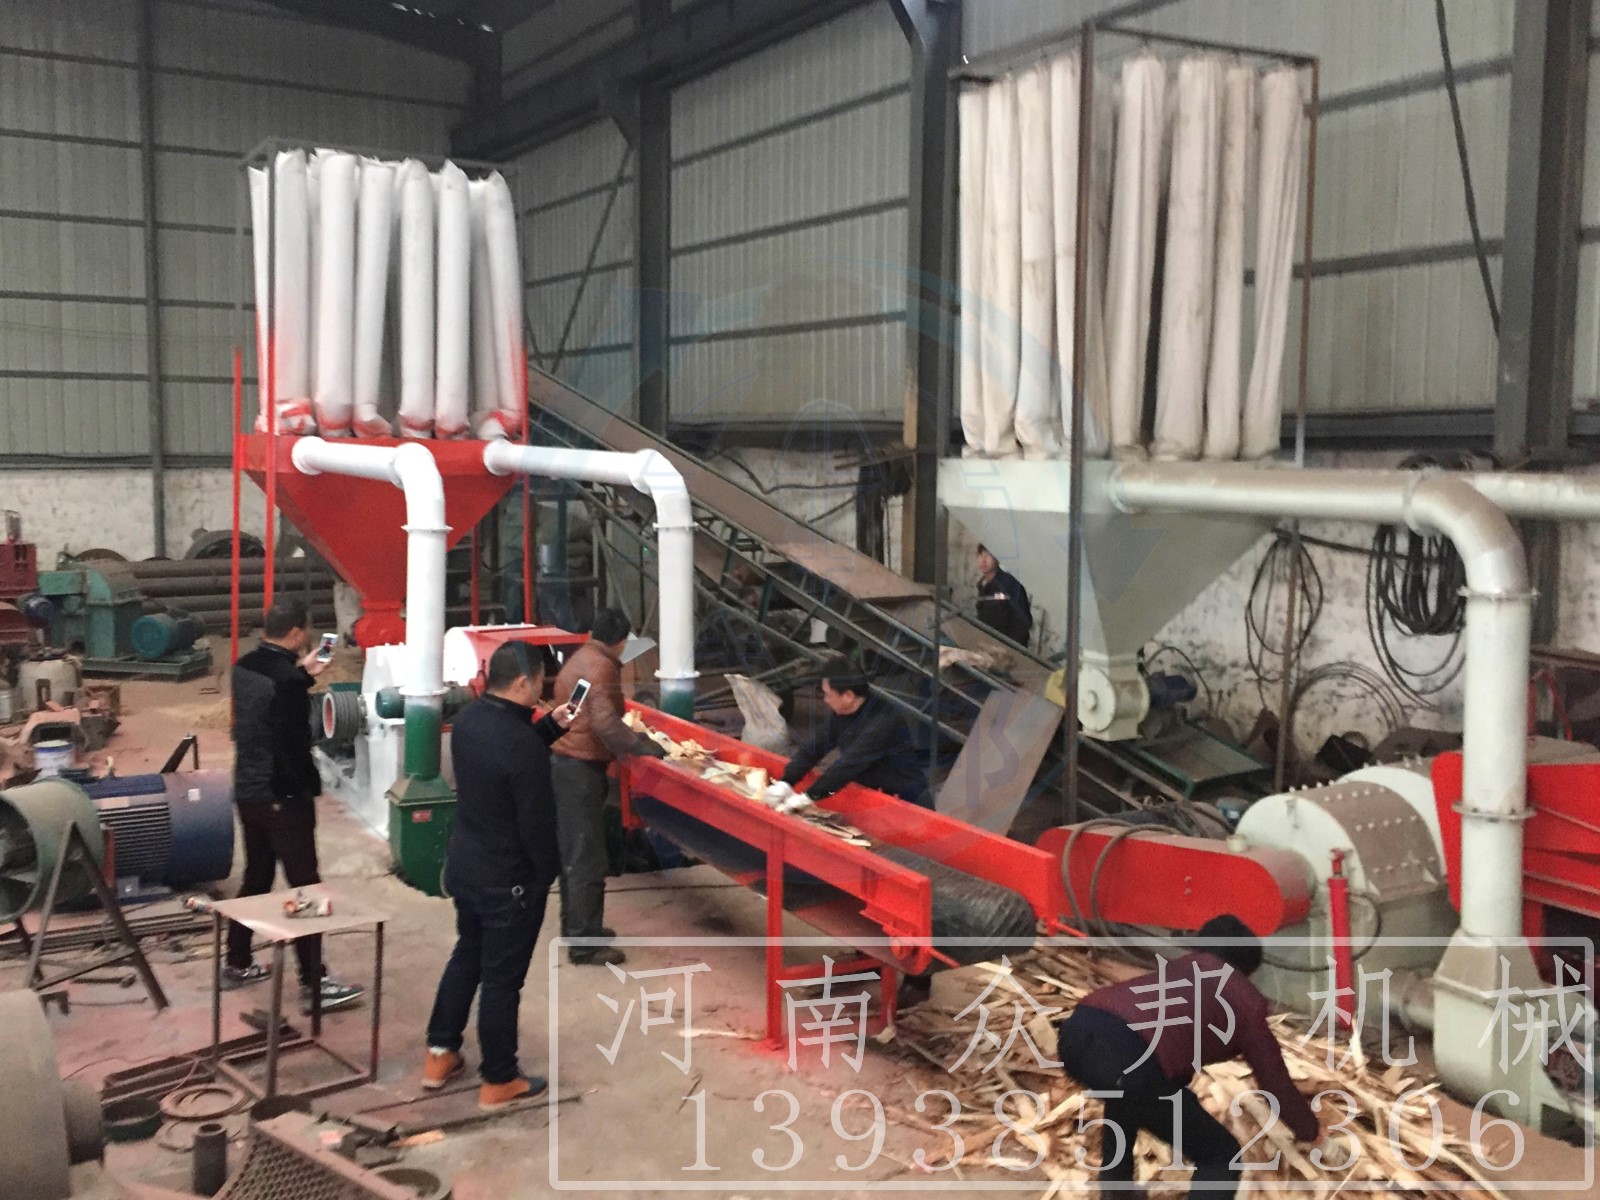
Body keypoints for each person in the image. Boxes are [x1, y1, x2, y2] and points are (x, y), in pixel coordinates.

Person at [1057, 914, 1326, 1197]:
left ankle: (1116, 1191)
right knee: (1221, 1156)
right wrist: (1309, 1130)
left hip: (1077, 1031)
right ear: (1246, 967)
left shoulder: (1182, 968)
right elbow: (1274, 1080)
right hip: (1130, 1058)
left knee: (1126, 1097)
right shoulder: (1246, 1000)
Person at [423, 642, 574, 1110]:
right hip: (507, 880)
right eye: (541, 681)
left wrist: (549, 727)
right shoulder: (522, 747)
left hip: (466, 866)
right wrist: (546, 874)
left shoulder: (468, 720)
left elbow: (503, 757)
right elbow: (536, 824)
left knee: (467, 955)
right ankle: (499, 1077)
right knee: (502, 981)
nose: (543, 689)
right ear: (524, 681)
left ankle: (440, 1052)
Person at [225, 599, 364, 1013]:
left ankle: (237, 961)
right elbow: (291, 741)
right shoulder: (286, 681)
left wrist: (302, 674)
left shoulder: (245, 666)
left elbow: (271, 699)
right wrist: (307, 789)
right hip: (282, 796)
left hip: (248, 791)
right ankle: (314, 981)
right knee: (306, 887)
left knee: (257, 877)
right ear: (297, 633)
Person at [551, 608, 666, 967]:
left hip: (567, 764)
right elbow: (603, 721)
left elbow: (581, 711)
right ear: (620, 641)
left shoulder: (580, 660)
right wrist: (640, 746)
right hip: (580, 769)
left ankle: (578, 929)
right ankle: (585, 944)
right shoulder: (600, 666)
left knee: (575, 853)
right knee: (587, 856)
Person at [779, 657, 931, 808]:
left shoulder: (882, 722)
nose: (825, 700)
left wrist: (808, 797)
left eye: (828, 694)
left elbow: (848, 765)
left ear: (848, 696)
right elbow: (815, 747)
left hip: (906, 801)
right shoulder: (843, 713)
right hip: (872, 795)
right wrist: (786, 781)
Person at [975, 544, 1033, 646]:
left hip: (1009, 646)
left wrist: (1009, 645)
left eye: (989, 555)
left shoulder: (1008, 584)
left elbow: (1024, 620)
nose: (983, 560)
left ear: (997, 558)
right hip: (988, 643)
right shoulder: (982, 585)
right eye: (980, 554)